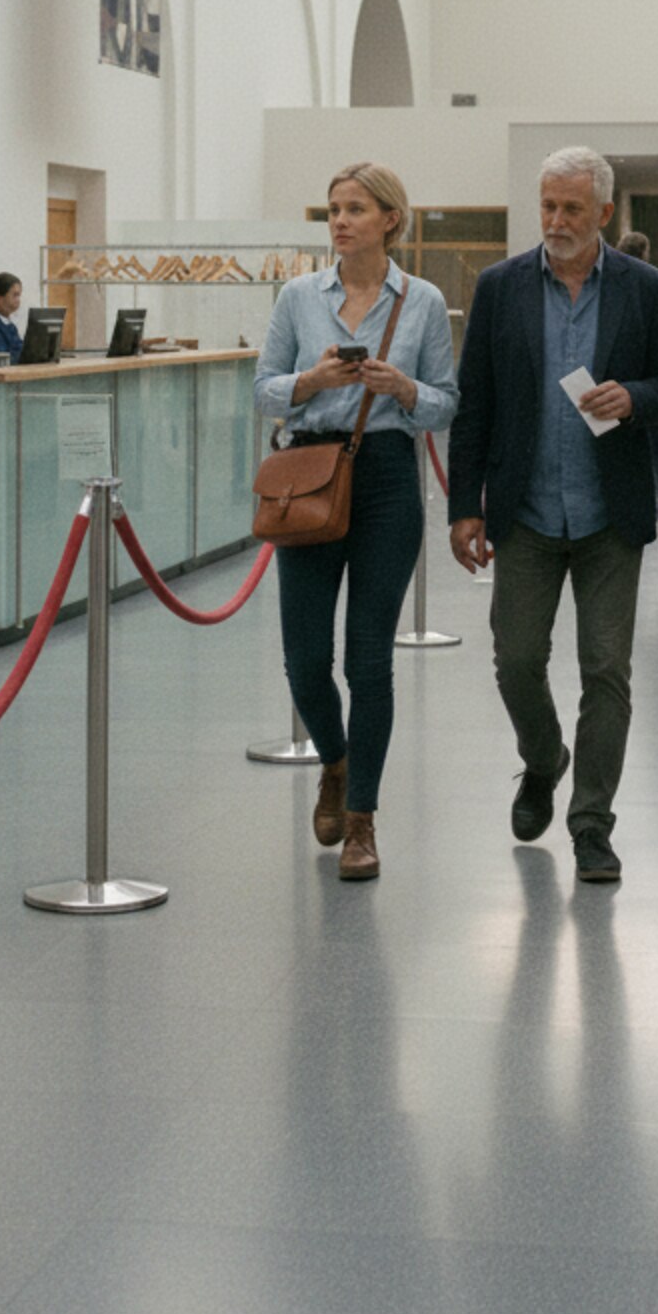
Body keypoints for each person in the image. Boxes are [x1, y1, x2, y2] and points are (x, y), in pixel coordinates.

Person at [447, 146, 658, 884]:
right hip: (525, 510)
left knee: (606, 670)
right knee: (516, 660)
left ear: (605, 214)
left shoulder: (646, 290)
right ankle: (544, 757)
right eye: (548, 206)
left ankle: (591, 824)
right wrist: (464, 507)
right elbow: (475, 402)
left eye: (571, 208)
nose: (555, 221)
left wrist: (634, 399)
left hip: (610, 513)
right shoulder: (501, 287)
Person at [254, 163, 458, 880]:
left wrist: (404, 389)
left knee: (368, 659)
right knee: (305, 660)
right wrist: (310, 381)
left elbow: (446, 402)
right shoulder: (298, 297)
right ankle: (335, 764)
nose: (340, 222)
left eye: (356, 209)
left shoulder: (423, 302)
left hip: (385, 482)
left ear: (390, 221)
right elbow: (264, 391)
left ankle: (363, 819)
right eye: (334, 210)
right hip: (307, 477)